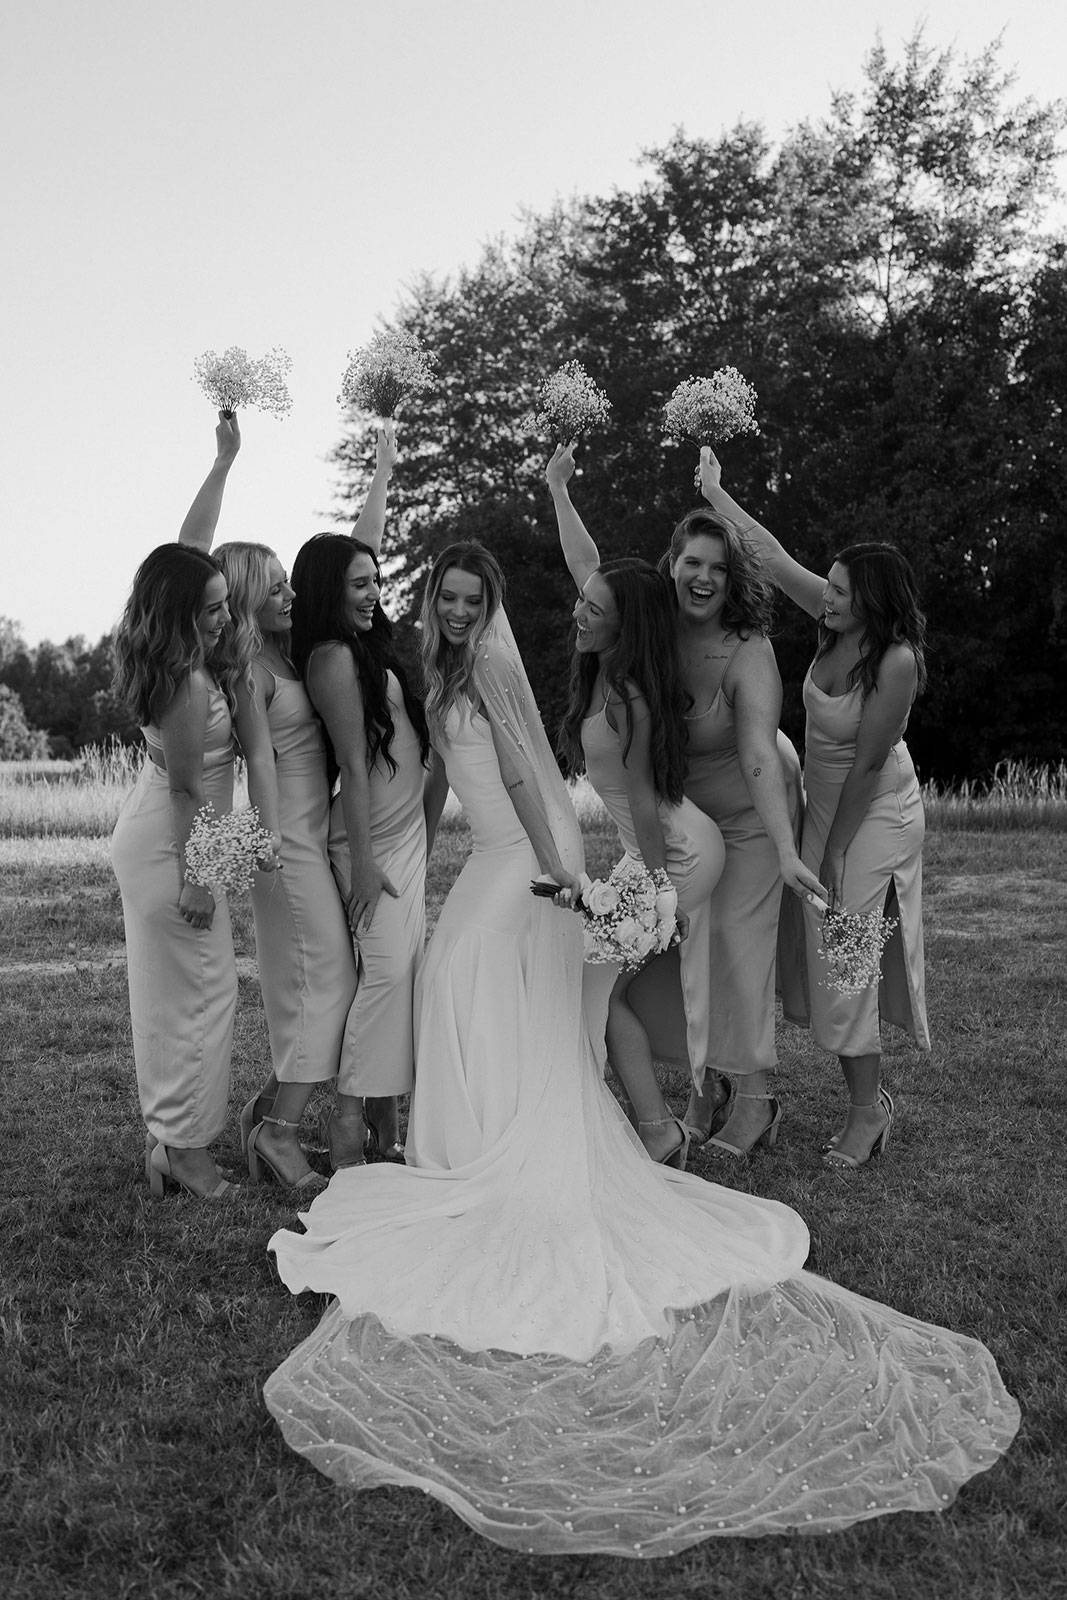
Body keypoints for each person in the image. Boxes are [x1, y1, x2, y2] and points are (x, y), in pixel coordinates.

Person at [263, 538, 1015, 1556]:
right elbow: (458, 771)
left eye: (468, 597)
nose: (453, 609)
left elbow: (529, 780)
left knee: (463, 978)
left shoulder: (486, 663)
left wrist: (560, 876)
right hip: (502, 851)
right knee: (473, 986)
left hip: (527, 855)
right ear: (429, 599)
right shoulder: (446, 665)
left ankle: (503, 1147)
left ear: (483, 608)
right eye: (442, 594)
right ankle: (481, 1142)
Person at [548, 445, 826, 1158]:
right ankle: (706, 1084)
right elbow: (589, 572)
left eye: (717, 567)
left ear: (731, 579)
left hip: (752, 808)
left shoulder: (746, 647)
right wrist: (558, 489)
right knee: (684, 952)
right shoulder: (647, 624)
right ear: (672, 563)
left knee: (735, 944)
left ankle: (756, 1098)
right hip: (680, 810)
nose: (702, 577)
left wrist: (788, 851)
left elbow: (761, 753)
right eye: (691, 562)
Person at [177, 413, 398, 1189]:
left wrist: (381, 470)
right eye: (274, 584)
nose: (290, 590)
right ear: (244, 596)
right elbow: (264, 758)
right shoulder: (247, 672)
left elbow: (349, 559)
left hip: (311, 835)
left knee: (327, 982)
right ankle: (277, 1132)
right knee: (327, 982)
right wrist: (271, 839)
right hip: (285, 840)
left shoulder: (295, 643)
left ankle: (267, 1114)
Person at [698, 447, 931, 1167]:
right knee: (826, 963)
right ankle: (854, 1099)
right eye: (825, 586)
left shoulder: (895, 662)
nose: (823, 597)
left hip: (873, 817)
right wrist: (715, 492)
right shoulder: (832, 629)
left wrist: (831, 848)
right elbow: (765, 555)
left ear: (871, 600)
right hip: (822, 808)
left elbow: (865, 765)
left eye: (836, 590)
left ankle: (868, 1111)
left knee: (848, 964)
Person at [553, 549, 726, 1167]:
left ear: (623, 626)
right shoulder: (602, 671)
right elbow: (586, 565)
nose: (579, 612)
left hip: (674, 853)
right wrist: (559, 490)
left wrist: (658, 895)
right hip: (651, 852)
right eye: (582, 599)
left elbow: (646, 802)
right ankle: (657, 1126)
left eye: (593, 608)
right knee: (602, 990)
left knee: (602, 993)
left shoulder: (627, 695)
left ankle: (658, 1134)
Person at [110, 545, 250, 1198]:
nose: (226, 616)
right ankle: (185, 1152)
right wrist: (197, 879)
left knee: (171, 999)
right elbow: (187, 790)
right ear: (181, 614)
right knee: (203, 997)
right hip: (175, 847)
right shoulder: (189, 682)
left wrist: (222, 464)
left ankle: (169, 1141)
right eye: (213, 608)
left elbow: (183, 549)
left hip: (159, 837)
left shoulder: (169, 658)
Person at [289, 520, 429, 1168]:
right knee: (387, 974)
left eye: (375, 580)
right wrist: (367, 867)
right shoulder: (333, 659)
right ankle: (348, 1120)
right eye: (358, 584)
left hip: (404, 835)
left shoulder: (365, 647)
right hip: (369, 843)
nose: (373, 593)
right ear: (328, 590)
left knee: (397, 977)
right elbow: (352, 759)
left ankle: (384, 1124)